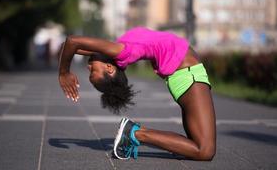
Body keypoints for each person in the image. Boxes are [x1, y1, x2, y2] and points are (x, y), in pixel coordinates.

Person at [58, 27, 216, 161]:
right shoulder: (121, 50)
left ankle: (136, 133)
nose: (88, 68)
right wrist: (64, 72)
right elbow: (73, 42)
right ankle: (136, 133)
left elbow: (70, 44)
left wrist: (65, 69)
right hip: (188, 75)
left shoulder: (118, 48)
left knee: (195, 145)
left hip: (184, 75)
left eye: (91, 71)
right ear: (109, 68)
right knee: (204, 150)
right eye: (93, 72)